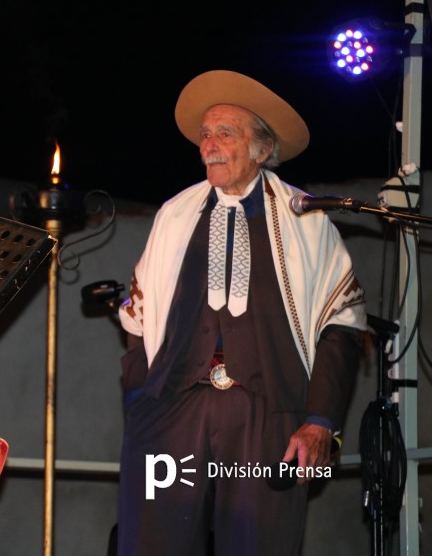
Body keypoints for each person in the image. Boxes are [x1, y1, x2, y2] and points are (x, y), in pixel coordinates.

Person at [116, 70, 368, 555]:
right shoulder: (175, 214)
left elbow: (341, 326)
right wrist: (141, 399)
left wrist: (319, 421)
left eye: (224, 133)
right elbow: (137, 320)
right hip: (171, 414)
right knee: (153, 542)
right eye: (205, 134)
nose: (209, 144)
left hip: (267, 417)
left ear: (261, 149)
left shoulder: (307, 222)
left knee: (259, 546)